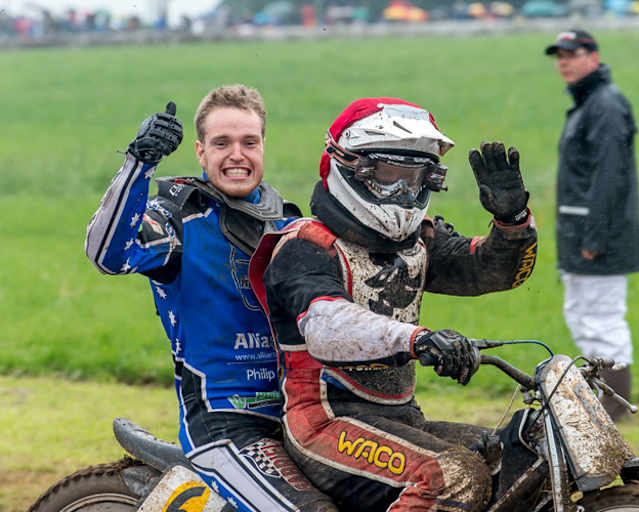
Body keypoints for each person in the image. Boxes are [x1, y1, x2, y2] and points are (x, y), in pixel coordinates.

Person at [248, 98, 539, 511]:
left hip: (400, 421)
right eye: (389, 177)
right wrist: (418, 339)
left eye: (416, 178)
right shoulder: (305, 246)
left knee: (512, 461)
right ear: (349, 167)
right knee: (451, 475)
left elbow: (492, 271)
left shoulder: (418, 242)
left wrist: (512, 221)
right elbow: (326, 324)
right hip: (324, 423)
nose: (403, 191)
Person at [85, 85, 337, 512]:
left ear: (263, 147)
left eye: (248, 142)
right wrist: (139, 164)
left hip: (301, 414)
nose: (236, 154)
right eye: (222, 143)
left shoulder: (289, 220)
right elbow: (107, 255)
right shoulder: (178, 213)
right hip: (222, 420)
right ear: (201, 152)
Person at [545, 30, 639, 421]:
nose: (564, 61)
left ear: (593, 56)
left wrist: (595, 236)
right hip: (582, 234)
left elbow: (610, 176)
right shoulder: (588, 104)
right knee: (582, 314)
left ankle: (614, 408)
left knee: (602, 317)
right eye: (559, 55)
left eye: (572, 53)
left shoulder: (605, 105)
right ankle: (601, 397)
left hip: (597, 237)